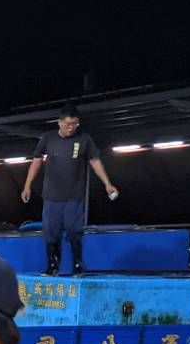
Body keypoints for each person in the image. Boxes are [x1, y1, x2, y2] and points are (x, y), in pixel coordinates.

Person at [20, 103, 119, 276]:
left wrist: (107, 183)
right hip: (51, 197)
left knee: (75, 232)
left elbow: (94, 161)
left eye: (75, 124)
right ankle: (52, 267)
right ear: (59, 123)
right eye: (68, 124)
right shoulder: (48, 138)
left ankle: (77, 266)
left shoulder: (84, 139)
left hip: (74, 196)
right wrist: (27, 185)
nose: (72, 127)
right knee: (51, 233)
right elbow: (36, 161)